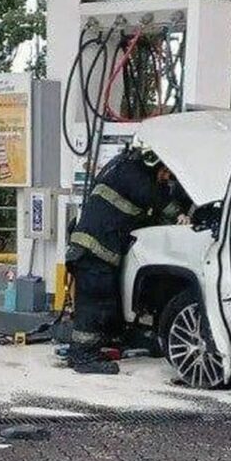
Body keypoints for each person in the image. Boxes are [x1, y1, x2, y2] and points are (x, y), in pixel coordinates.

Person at [65, 142, 190, 375]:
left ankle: (82, 352)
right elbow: (157, 199)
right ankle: (84, 356)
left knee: (97, 305)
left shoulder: (120, 167)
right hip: (95, 253)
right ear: (153, 163)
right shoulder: (135, 175)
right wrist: (181, 215)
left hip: (90, 251)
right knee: (95, 306)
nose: (166, 178)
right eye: (165, 172)